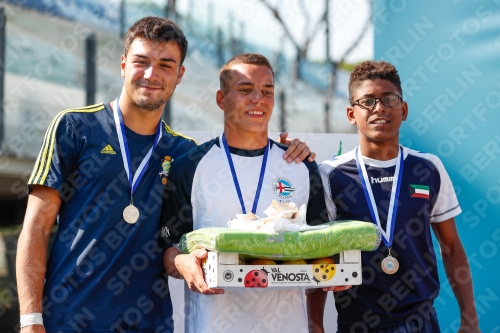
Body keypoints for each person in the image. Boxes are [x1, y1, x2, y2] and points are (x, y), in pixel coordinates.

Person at [16, 17, 311, 333]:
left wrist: (290, 152)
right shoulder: (74, 128)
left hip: (149, 323)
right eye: (141, 62)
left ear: (180, 75)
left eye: (166, 65)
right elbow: (36, 227)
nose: (151, 75)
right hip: (69, 321)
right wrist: (31, 318)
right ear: (123, 64)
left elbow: (178, 244)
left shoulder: (185, 154)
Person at [161, 53, 344, 333]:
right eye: (246, 90)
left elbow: (319, 248)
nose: (258, 98)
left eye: (267, 91)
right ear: (221, 99)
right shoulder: (190, 166)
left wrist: (332, 279)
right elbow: (169, 248)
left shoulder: (300, 165)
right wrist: (183, 262)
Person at [307, 60, 481, 333]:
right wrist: (315, 325)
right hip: (358, 323)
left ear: (404, 109)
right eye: (367, 101)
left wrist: (470, 319)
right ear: (352, 114)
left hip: (421, 321)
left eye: (388, 99)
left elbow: (452, 247)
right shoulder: (330, 174)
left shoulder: (427, 168)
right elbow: (319, 256)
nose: (379, 108)